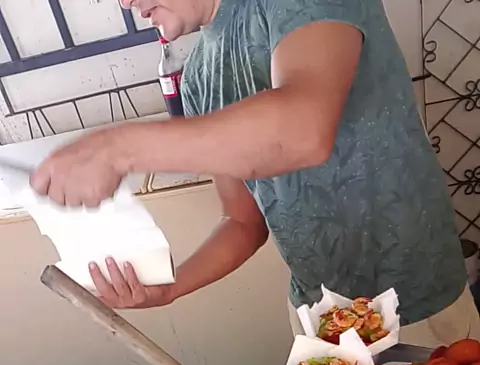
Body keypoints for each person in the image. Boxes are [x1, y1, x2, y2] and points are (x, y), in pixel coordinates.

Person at [31, 0, 478, 346]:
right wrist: (170, 288)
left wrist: (118, 148)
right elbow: (242, 222)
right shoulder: (199, 79)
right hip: (319, 322)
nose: (125, 2)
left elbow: (303, 131)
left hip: (418, 308)